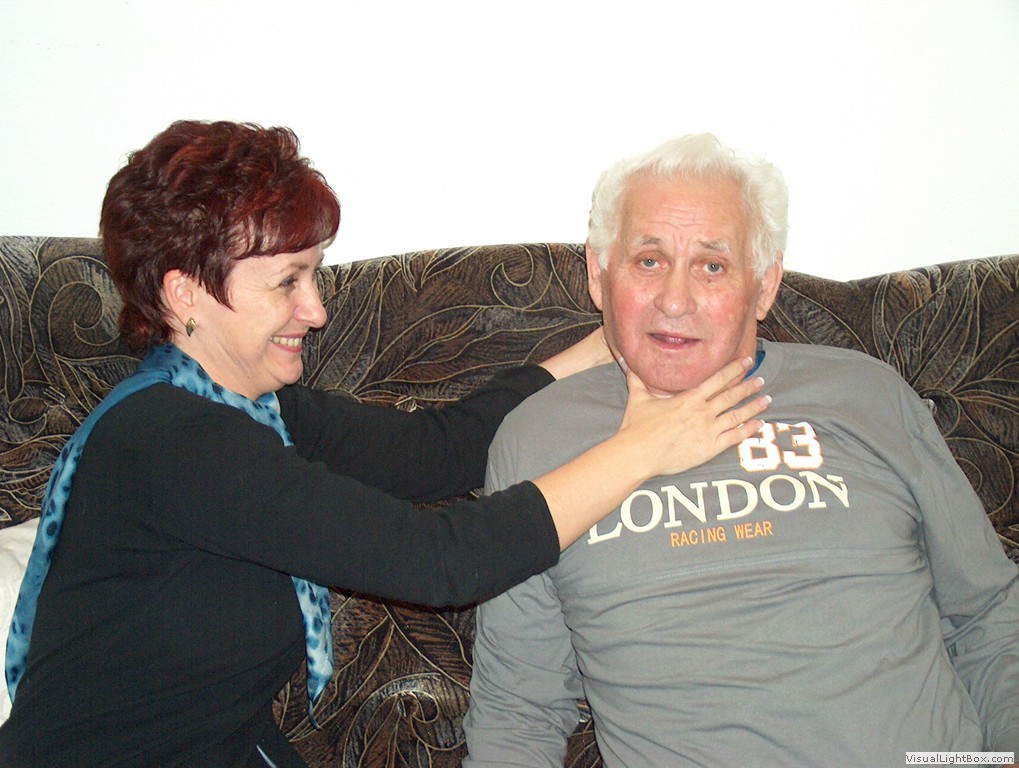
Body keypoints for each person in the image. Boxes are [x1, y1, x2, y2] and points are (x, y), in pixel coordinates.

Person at [0, 122, 771, 768]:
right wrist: (642, 448)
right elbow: (439, 560)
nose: (317, 309)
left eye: (315, 276)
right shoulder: (169, 442)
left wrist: (616, 336)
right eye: (287, 282)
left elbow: (441, 448)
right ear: (185, 293)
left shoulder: (263, 412)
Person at [462, 133, 1019, 766]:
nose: (675, 300)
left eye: (712, 266)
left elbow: (990, 615)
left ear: (765, 285)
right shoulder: (538, 439)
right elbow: (519, 711)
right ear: (599, 273)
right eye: (648, 260)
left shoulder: (868, 396)